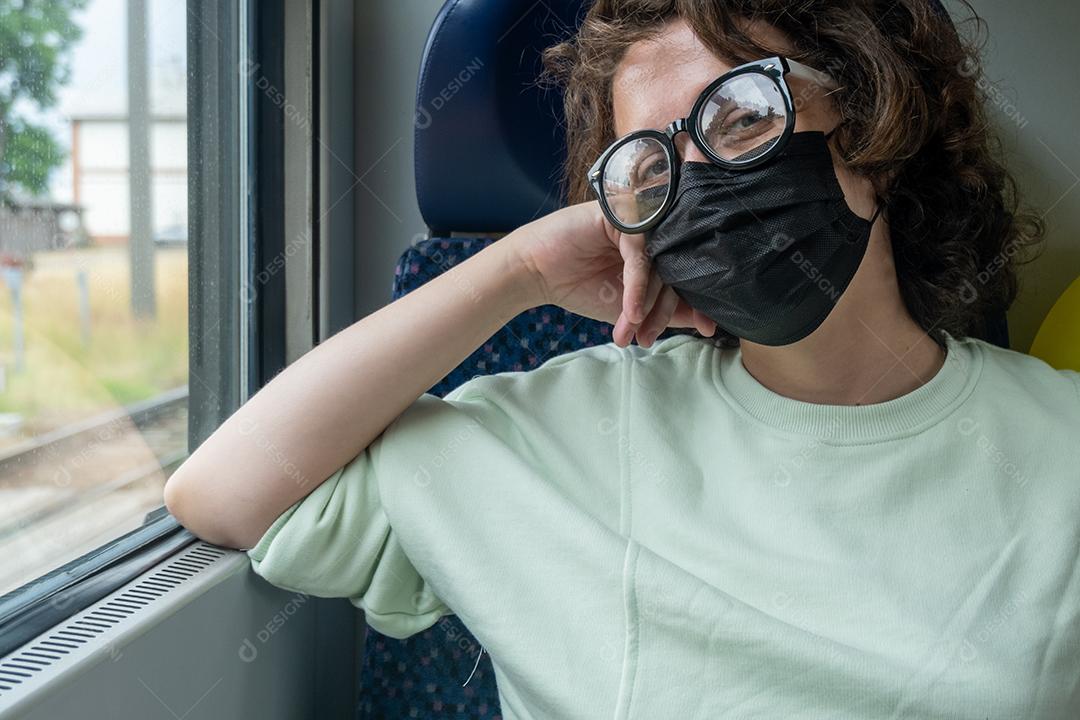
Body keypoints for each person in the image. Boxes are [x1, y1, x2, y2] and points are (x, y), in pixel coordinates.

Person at [165, 1, 1080, 717]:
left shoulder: (1058, 447)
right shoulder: (553, 432)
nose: (702, 178)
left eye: (743, 115)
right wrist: (518, 268)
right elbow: (225, 488)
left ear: (874, 123)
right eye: (649, 168)